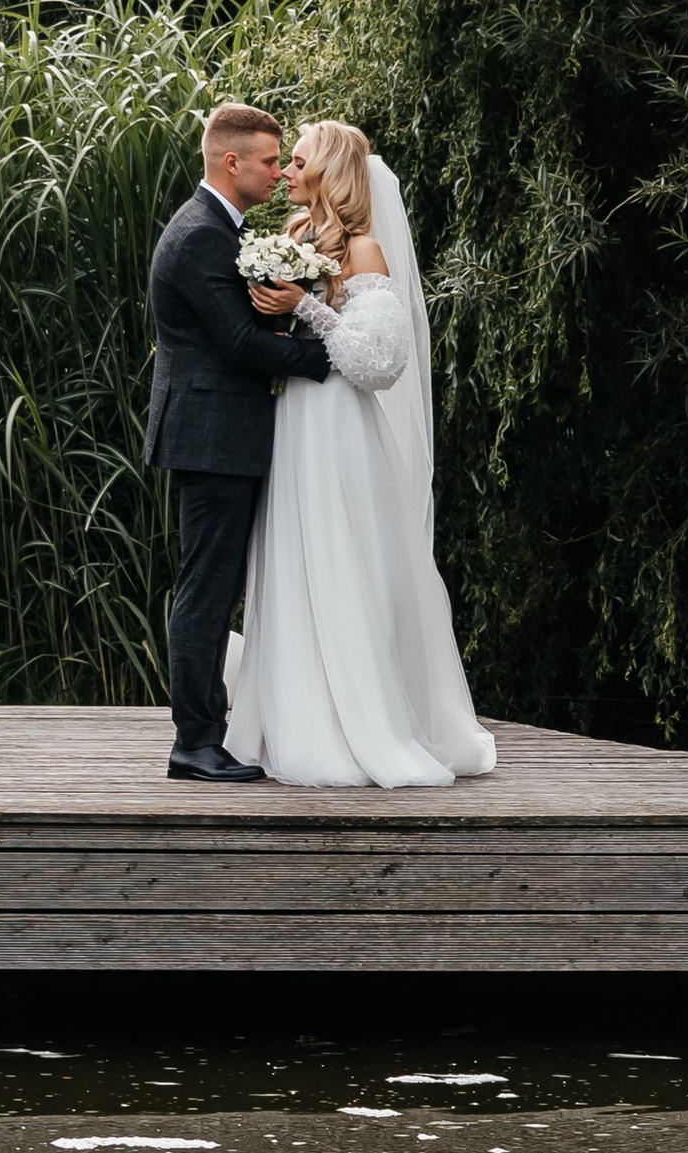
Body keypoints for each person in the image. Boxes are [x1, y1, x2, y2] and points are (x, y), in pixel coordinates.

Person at [222, 121, 497, 790]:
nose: (285, 170)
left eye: (297, 159)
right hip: (290, 421)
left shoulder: (365, 251)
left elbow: (379, 362)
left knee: (342, 554)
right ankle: (287, 715)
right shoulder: (286, 239)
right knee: (288, 555)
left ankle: (358, 722)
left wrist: (307, 309)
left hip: (340, 428)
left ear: (330, 170)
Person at [144, 104, 333, 782]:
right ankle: (195, 742)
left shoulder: (222, 231)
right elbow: (240, 343)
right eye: (268, 161)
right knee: (207, 589)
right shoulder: (200, 236)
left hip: (218, 432)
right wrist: (332, 352)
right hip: (212, 435)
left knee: (214, 585)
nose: (279, 172)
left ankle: (211, 733)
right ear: (233, 162)